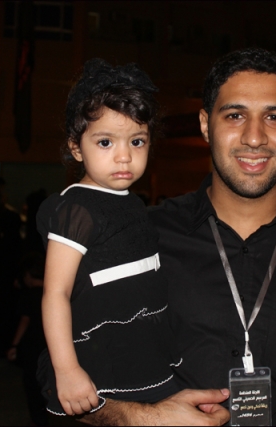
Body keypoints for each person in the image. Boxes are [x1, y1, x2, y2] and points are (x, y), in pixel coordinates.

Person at [82, 48, 276, 426]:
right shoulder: (137, 238)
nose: (255, 137)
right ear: (205, 124)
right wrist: (145, 418)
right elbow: (57, 376)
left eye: (274, 117)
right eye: (235, 115)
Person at [35, 59, 186, 417]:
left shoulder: (132, 201)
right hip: (104, 361)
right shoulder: (77, 208)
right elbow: (55, 293)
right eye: (105, 142)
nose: (124, 156)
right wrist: (67, 370)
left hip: (146, 352)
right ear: (76, 148)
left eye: (137, 141)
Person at [7, 252, 48, 426]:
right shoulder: (52, 293)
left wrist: (14, 344)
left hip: (33, 346)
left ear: (29, 275)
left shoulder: (29, 295)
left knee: (32, 384)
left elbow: (25, 320)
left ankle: (39, 420)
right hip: (49, 345)